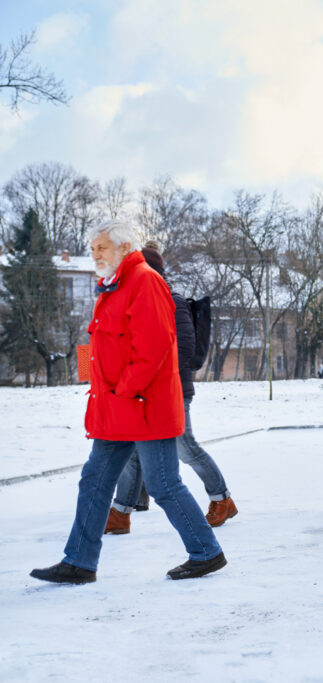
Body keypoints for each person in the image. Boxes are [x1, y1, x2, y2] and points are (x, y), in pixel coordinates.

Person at [30, 220, 225, 583]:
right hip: (116, 409)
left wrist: (123, 390)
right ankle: (79, 561)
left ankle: (206, 552)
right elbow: (102, 348)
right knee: (94, 480)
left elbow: (153, 349)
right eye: (92, 249)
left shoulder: (145, 281)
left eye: (101, 247)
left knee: (163, 484)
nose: (95, 255)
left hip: (144, 406)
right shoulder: (111, 286)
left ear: (124, 247)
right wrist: (102, 390)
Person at [104, 245, 238, 535]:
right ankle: (120, 513)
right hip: (143, 391)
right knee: (132, 450)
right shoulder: (141, 301)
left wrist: (148, 370)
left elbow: (185, 350)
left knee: (185, 448)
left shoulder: (172, 301)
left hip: (172, 391)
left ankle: (222, 499)